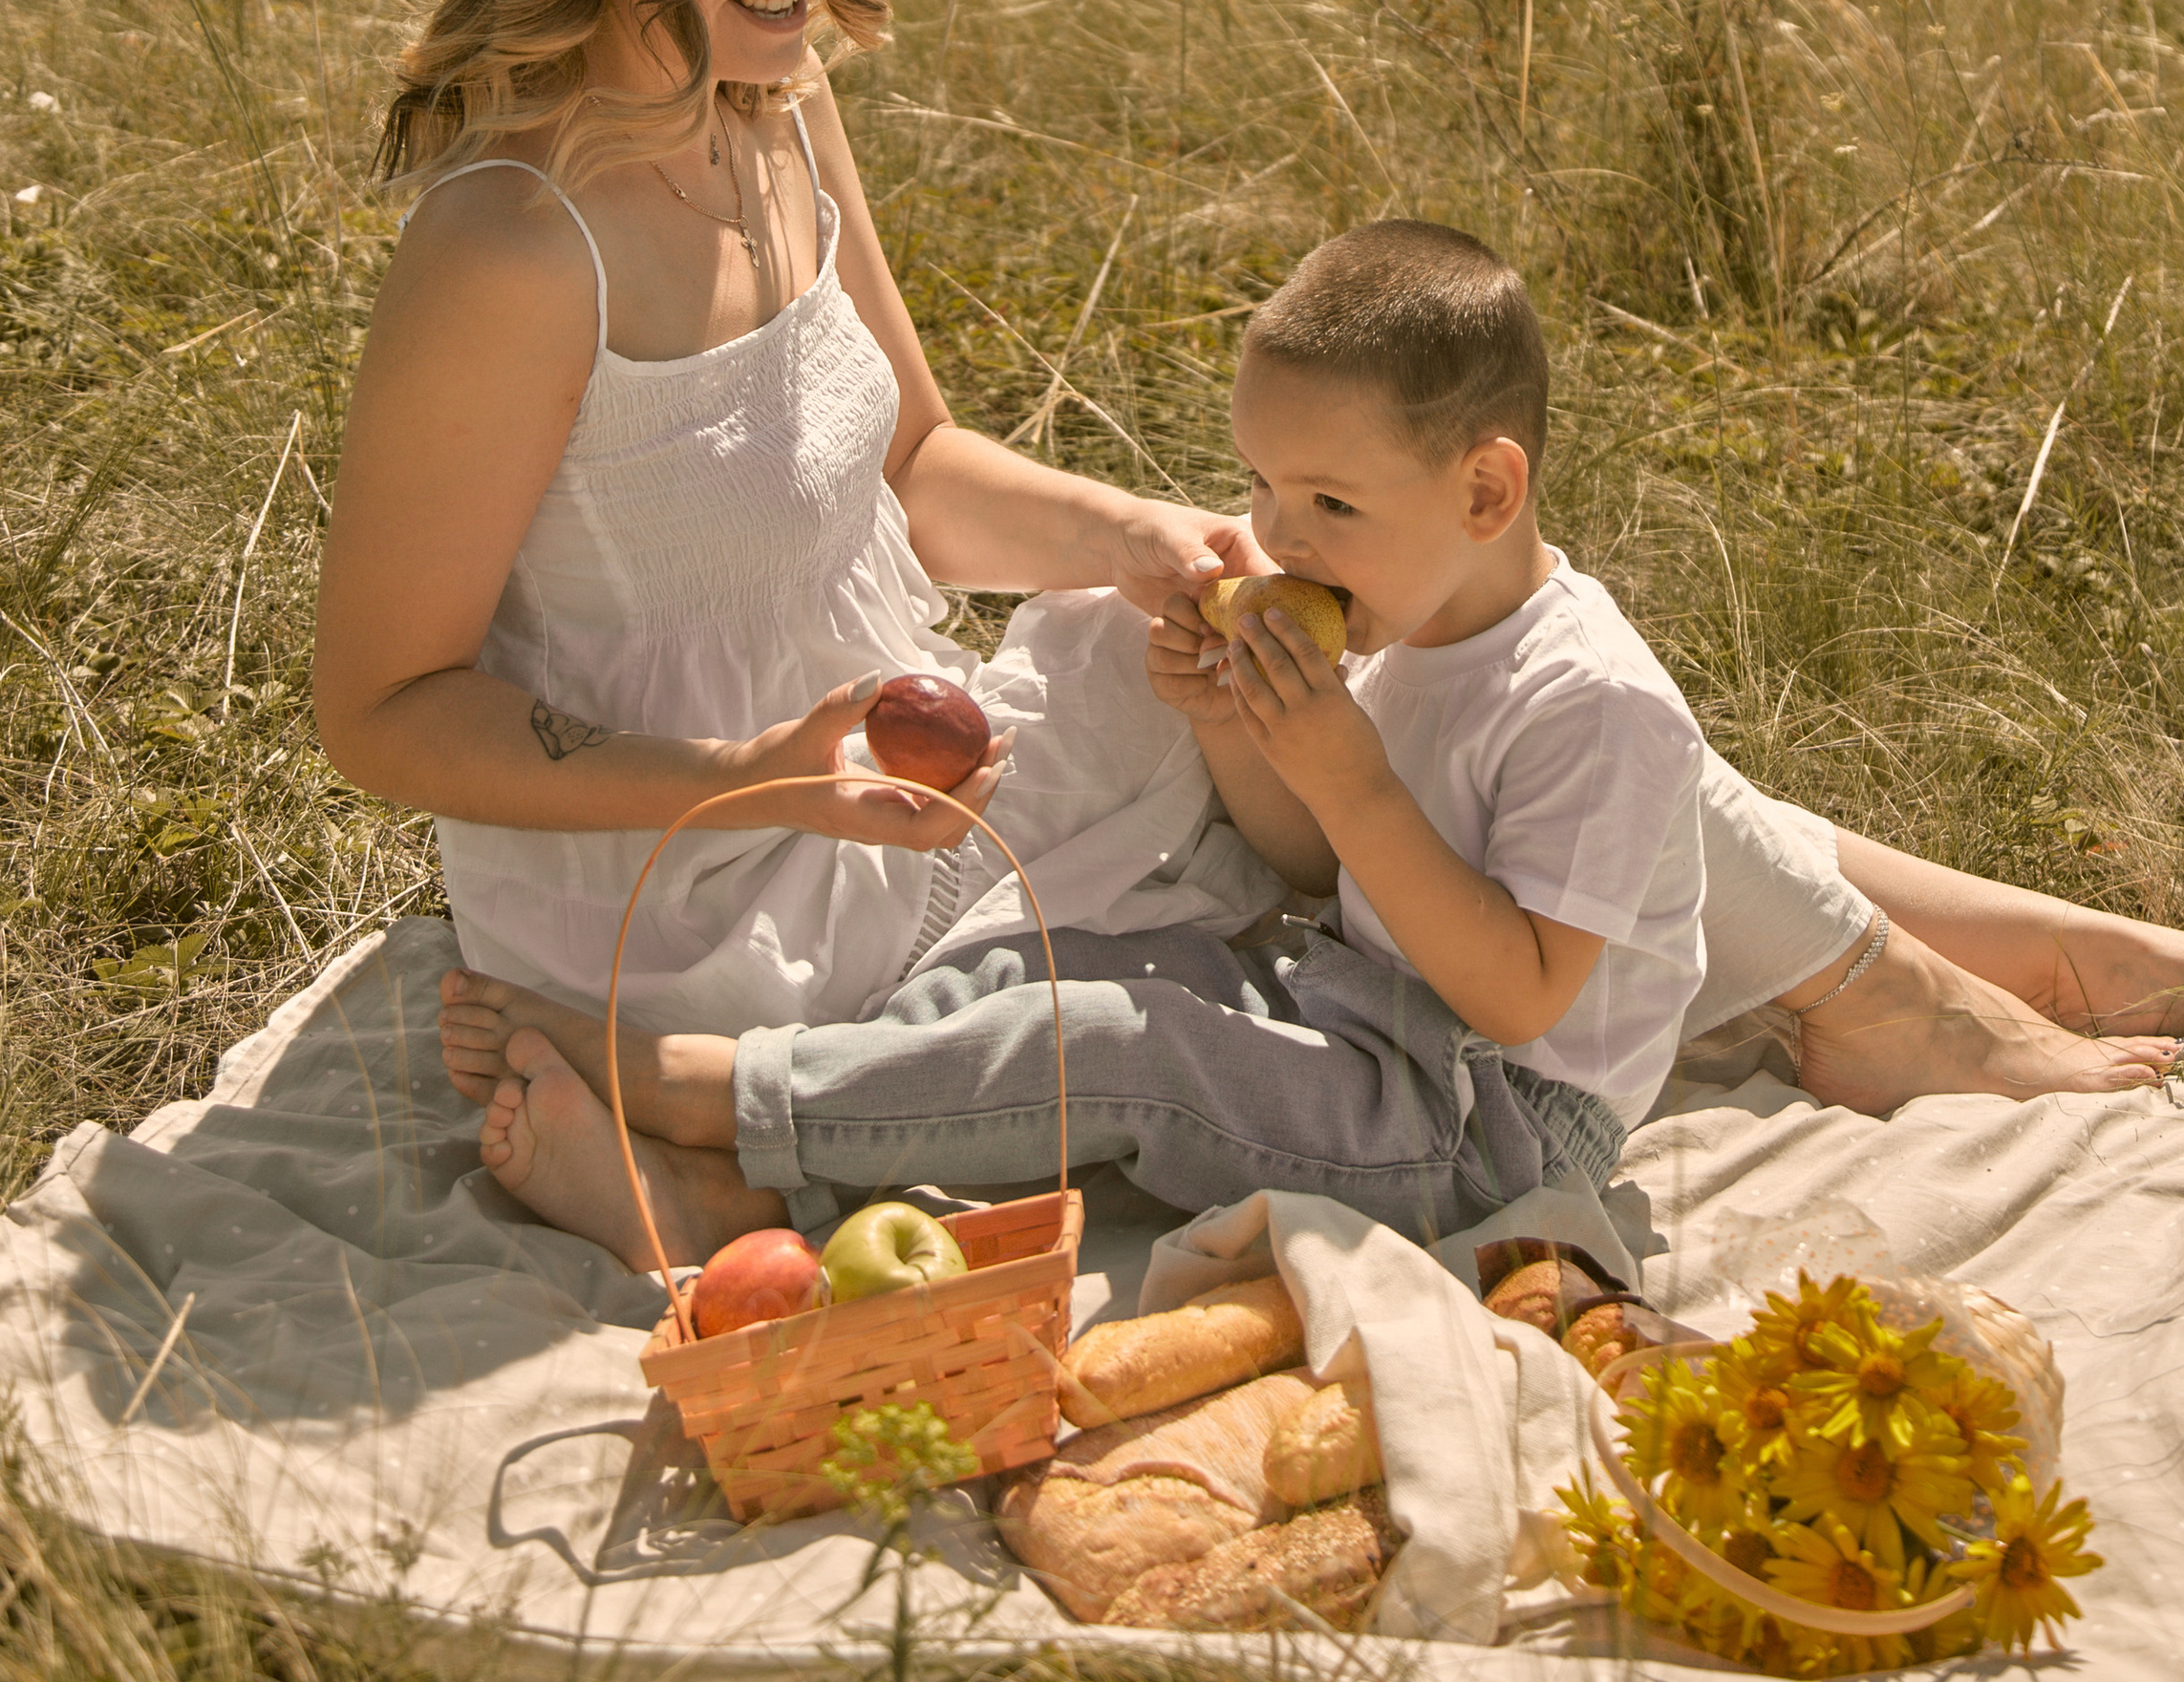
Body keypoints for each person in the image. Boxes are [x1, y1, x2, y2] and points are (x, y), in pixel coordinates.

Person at [315, 0, 2184, 1223]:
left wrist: (1155, 542)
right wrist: (748, 776)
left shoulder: (774, 105)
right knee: (1396, 696)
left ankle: (1981, 970)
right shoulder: (513, 250)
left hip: (890, 773)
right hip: (696, 892)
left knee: (1407, 636)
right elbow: (383, 709)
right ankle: (1932, 996)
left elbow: (917, 475)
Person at [442, 220, 1714, 1255]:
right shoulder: (1400, 614)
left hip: (1489, 1122)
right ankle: (757, 1192)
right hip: (1352, 1008)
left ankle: (712, 1096)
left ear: (1486, 490)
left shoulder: (1595, 705)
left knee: (1131, 1053)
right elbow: (1322, 874)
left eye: (1330, 502)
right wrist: (1231, 729)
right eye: (1265, 488)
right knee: (1053, 970)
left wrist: (1351, 776)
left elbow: (1515, 992)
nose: (1285, 539)